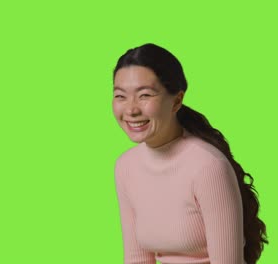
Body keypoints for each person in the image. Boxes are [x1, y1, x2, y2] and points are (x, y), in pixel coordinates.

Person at [112, 43, 268, 264]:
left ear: (176, 100)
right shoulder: (126, 167)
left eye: (144, 95)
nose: (131, 110)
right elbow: (137, 258)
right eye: (120, 96)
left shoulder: (208, 166)